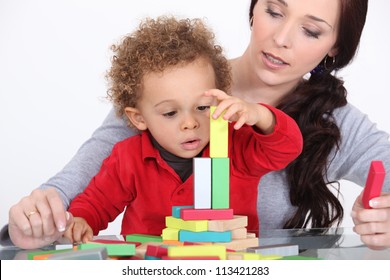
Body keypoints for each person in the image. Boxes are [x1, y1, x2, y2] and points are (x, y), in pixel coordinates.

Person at [6, 0, 390, 250]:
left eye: (311, 30)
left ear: (335, 46)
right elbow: (76, 192)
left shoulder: (334, 123)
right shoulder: (169, 82)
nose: (281, 39)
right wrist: (33, 222)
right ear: (253, 9)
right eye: (274, 11)